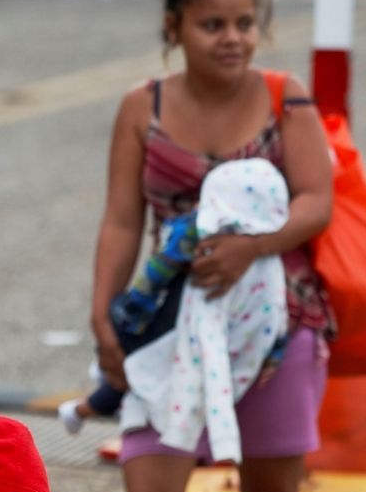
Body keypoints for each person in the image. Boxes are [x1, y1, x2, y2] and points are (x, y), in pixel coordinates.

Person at [89, 0, 335, 492]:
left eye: (244, 23)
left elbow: (318, 199)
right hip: (168, 326)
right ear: (175, 29)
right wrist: (104, 318)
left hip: (279, 325)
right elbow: (119, 220)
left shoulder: (287, 97)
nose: (232, 39)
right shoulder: (143, 107)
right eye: (212, 24)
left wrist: (252, 248)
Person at [59, 158, 289, 444]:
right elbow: (276, 315)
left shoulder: (193, 230)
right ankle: (83, 408)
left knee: (134, 368)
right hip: (221, 340)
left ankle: (83, 409)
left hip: (172, 327)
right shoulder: (270, 258)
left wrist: (129, 312)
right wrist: (275, 353)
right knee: (138, 373)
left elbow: (157, 273)